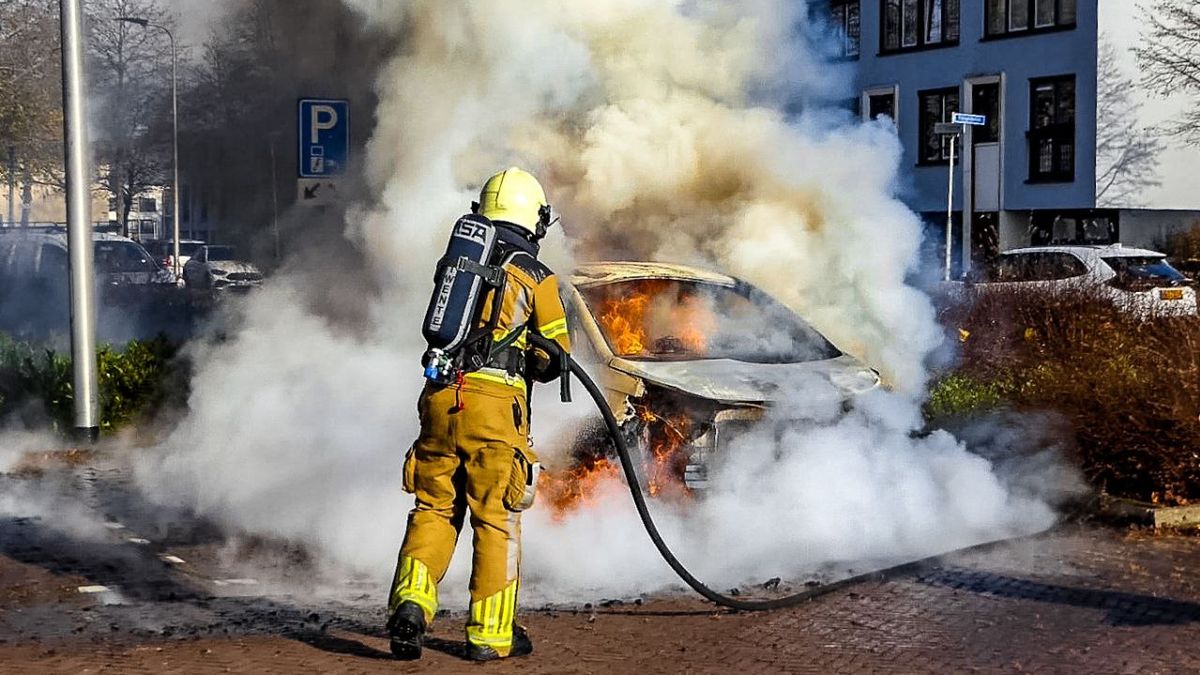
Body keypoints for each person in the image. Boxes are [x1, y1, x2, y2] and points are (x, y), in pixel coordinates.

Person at [386, 167, 572, 661]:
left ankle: (410, 605)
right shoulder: (537, 275)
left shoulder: (458, 262)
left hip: (441, 399)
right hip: (494, 415)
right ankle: (490, 635)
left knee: (435, 509)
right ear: (534, 219)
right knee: (496, 519)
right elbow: (554, 357)